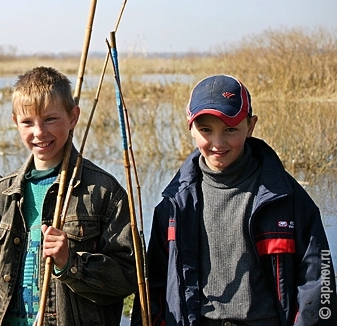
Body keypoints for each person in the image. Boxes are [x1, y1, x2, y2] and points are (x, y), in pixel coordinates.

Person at [131, 75, 337, 326]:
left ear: (250, 125)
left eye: (231, 129)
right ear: (190, 126)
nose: (218, 143)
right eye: (206, 130)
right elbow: (157, 286)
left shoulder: (287, 197)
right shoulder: (174, 203)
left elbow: (319, 280)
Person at [0, 66, 137, 325]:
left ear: (73, 117)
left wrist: (70, 263)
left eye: (50, 119)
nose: (39, 132)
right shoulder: (3, 194)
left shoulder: (102, 191)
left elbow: (128, 276)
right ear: (15, 122)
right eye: (28, 122)